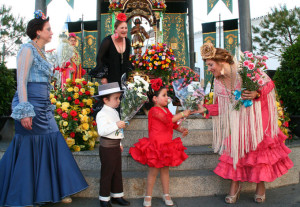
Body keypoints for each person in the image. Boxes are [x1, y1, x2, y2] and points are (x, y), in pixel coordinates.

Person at [0, 10, 88, 206]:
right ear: (38, 32)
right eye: (48, 29)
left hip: (44, 106)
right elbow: (21, 82)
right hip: (29, 105)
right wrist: (25, 111)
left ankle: (56, 190)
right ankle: (26, 193)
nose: (51, 32)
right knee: (28, 147)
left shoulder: (41, 52)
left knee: (53, 142)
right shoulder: (27, 50)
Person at [196, 43, 293, 204]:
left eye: (210, 65)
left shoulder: (244, 69)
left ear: (221, 61)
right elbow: (221, 106)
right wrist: (204, 109)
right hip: (239, 119)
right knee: (236, 147)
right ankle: (236, 185)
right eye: (208, 66)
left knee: (259, 150)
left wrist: (257, 93)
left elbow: (269, 85)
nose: (209, 69)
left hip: (258, 116)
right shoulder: (219, 81)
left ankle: (260, 185)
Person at [129, 78, 191, 207]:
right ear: (155, 99)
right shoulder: (154, 111)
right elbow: (169, 120)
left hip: (166, 146)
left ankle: (166, 194)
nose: (167, 98)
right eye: (164, 95)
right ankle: (148, 195)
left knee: (165, 171)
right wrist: (183, 114)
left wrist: (181, 129)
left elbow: (172, 124)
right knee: (153, 172)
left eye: (167, 95)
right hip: (156, 146)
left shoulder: (166, 110)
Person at [95, 82, 131, 207]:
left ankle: (117, 195)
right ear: (105, 100)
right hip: (107, 148)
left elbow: (117, 130)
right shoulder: (102, 114)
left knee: (117, 171)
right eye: (116, 98)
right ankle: (104, 199)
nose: (118, 101)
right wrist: (116, 125)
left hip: (115, 146)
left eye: (119, 98)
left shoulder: (114, 112)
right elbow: (102, 131)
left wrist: (120, 142)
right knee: (107, 173)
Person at [89, 13, 132, 85]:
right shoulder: (107, 41)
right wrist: (104, 77)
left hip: (123, 78)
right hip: (110, 78)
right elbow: (100, 58)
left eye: (126, 28)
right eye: (122, 28)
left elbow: (126, 60)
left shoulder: (127, 42)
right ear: (116, 29)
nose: (124, 30)